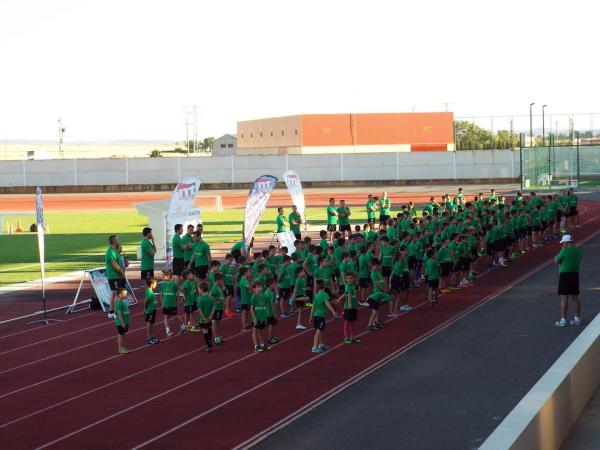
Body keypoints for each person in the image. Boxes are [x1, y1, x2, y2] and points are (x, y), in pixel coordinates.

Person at [554, 235, 583, 327]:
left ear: (566, 242)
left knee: (564, 298)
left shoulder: (565, 250)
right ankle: (577, 318)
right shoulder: (578, 250)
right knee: (575, 296)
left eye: (563, 242)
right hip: (574, 274)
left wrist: (562, 250)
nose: (562, 244)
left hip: (565, 275)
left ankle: (563, 320)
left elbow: (556, 261)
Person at [309, 279, 338, 353]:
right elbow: (327, 304)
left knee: (321, 330)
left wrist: (310, 317)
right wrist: (333, 312)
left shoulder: (317, 295)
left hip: (316, 315)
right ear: (324, 286)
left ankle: (321, 344)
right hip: (320, 316)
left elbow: (313, 307)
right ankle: (314, 347)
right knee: (318, 331)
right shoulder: (325, 294)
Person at [159, 269, 185, 337]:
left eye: (163, 275)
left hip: (173, 304)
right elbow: (161, 294)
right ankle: (168, 331)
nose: (162, 276)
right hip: (165, 304)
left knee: (175, 316)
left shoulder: (174, 284)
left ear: (168, 276)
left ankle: (183, 326)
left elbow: (178, 292)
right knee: (166, 317)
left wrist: (182, 297)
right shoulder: (162, 285)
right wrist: (162, 303)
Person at [106, 235, 125, 320]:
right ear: (114, 241)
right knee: (118, 294)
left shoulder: (114, 251)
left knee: (114, 293)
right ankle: (116, 312)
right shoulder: (111, 252)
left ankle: (111, 311)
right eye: (118, 239)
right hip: (114, 276)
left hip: (115, 275)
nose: (119, 240)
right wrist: (121, 272)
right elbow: (114, 264)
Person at [250, 281, 269, 352]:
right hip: (256, 318)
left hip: (262, 317)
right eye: (258, 287)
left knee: (260, 332)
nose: (260, 288)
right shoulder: (254, 297)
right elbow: (251, 309)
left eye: (261, 286)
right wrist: (254, 318)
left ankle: (262, 345)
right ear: (254, 289)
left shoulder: (264, 296)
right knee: (255, 332)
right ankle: (256, 346)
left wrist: (266, 316)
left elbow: (265, 306)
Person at [196, 282, 215, 352]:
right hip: (209, 318)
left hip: (203, 319)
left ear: (201, 289)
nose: (198, 291)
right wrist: (210, 316)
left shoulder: (200, 299)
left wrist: (203, 317)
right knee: (209, 328)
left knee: (205, 331)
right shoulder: (211, 298)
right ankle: (210, 341)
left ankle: (208, 345)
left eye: (198, 289)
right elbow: (213, 307)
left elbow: (199, 309)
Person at [342, 273, 360, 344]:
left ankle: (353, 337)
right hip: (348, 307)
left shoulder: (353, 285)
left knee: (352, 322)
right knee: (347, 322)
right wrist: (350, 304)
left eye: (350, 278)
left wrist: (356, 304)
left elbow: (355, 295)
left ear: (353, 279)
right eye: (348, 278)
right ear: (346, 279)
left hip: (354, 306)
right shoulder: (347, 286)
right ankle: (346, 337)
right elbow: (348, 295)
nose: (349, 280)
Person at [210, 272, 226, 344]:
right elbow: (210, 296)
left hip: (219, 308)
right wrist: (216, 300)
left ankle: (218, 336)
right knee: (215, 323)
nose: (222, 281)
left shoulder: (218, 287)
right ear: (217, 280)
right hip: (216, 308)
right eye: (221, 280)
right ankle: (216, 338)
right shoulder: (214, 288)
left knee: (217, 323)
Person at [144, 277, 160, 345]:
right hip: (150, 311)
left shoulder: (150, 290)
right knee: (149, 324)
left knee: (151, 324)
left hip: (152, 310)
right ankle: (149, 339)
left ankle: (151, 337)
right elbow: (146, 301)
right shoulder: (149, 291)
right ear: (152, 284)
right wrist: (145, 309)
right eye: (155, 283)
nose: (156, 285)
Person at [114, 288, 130, 354]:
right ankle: (120, 348)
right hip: (121, 323)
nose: (127, 295)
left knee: (123, 334)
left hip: (125, 321)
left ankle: (122, 347)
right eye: (125, 294)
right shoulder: (119, 303)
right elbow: (119, 313)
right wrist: (122, 323)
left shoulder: (123, 302)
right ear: (120, 295)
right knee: (121, 334)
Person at [238, 266, 253, 331]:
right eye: (248, 272)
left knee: (246, 312)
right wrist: (253, 289)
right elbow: (248, 286)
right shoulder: (244, 279)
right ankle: (244, 327)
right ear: (245, 273)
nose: (249, 273)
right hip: (245, 299)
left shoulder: (244, 279)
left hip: (247, 299)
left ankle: (246, 325)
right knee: (245, 312)